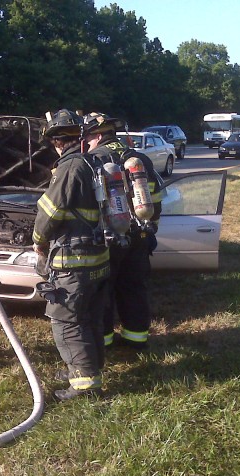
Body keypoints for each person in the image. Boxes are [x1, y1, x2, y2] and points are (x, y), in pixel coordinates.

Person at [32, 109, 110, 401]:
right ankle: (87, 368)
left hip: (74, 261)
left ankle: (85, 386)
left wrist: (38, 241)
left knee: (66, 322)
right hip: (98, 258)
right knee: (89, 319)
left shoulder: (70, 167)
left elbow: (49, 213)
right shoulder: (95, 163)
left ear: (56, 141)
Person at [80, 112, 162, 350]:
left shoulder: (91, 160)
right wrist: (150, 226)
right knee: (134, 287)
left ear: (96, 136)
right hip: (140, 235)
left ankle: (103, 341)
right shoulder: (139, 159)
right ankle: (136, 339)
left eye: (87, 138)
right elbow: (154, 198)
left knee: (102, 290)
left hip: (107, 239)